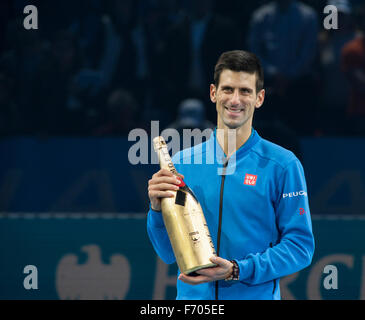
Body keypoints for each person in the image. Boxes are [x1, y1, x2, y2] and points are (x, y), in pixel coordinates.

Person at [147, 50, 314, 300]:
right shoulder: (182, 163)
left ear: (259, 98)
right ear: (213, 93)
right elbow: (168, 253)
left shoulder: (283, 165)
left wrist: (237, 270)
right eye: (227, 89)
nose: (235, 100)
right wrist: (156, 211)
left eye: (245, 91)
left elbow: (300, 247)